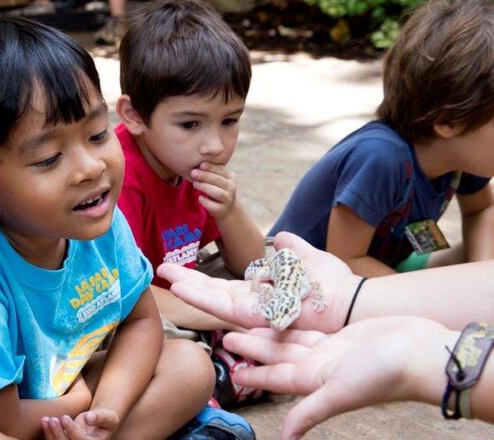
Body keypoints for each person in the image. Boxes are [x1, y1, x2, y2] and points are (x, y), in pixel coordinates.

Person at [0, 16, 256, 440]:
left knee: (189, 365)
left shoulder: (97, 217)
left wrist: (106, 413)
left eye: (97, 135)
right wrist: (80, 403)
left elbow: (140, 324)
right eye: (48, 159)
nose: (90, 167)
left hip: (51, 391)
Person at [158, 231, 494, 439]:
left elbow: (310, 288)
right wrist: (349, 299)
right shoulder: (282, 297)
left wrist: (338, 300)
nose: (280, 322)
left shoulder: (299, 294)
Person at [269, 0, 494, 278]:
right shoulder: (381, 158)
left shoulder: (462, 158)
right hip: (305, 280)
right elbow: (346, 261)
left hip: (381, 271)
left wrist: (481, 275)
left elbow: (481, 210)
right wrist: (427, 297)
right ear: (448, 121)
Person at [116, 0, 264, 333]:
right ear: (134, 116)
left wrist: (229, 212)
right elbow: (123, 294)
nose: (215, 145)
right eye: (190, 124)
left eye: (229, 121)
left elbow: (253, 265)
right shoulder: (119, 176)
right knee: (164, 341)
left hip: (181, 292)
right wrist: (232, 318)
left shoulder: (189, 165)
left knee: (282, 268)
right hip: (134, 309)